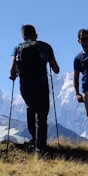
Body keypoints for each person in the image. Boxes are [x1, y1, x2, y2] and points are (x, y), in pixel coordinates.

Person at [9, 24, 59, 154]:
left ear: (23, 36)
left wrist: (13, 75)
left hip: (25, 86)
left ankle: (34, 140)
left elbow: (12, 69)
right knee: (42, 116)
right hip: (41, 85)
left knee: (30, 110)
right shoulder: (46, 47)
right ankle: (40, 148)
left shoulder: (18, 47)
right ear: (36, 34)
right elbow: (56, 69)